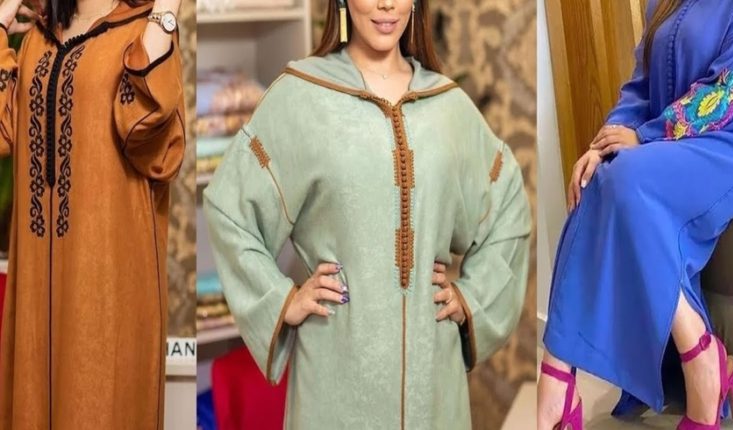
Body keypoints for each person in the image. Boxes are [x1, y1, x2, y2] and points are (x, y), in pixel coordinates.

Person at [203, 0, 531, 428]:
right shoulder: (302, 95)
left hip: (433, 381)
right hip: (335, 377)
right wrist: (281, 300)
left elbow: (507, 205)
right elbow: (229, 206)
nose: (386, 5)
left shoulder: (447, 106)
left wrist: (472, 297)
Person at [538, 1, 733, 429]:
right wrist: (603, 145)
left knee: (625, 176)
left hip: (728, 148)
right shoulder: (662, 4)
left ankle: (558, 386)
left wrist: (644, 136)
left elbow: (725, 94)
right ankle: (558, 372)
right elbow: (638, 90)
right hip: (666, 149)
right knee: (597, 177)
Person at [0, 0, 185, 428]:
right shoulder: (37, 40)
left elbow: (154, 143)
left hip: (108, 302)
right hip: (34, 308)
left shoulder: (142, 34)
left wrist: (165, 12)